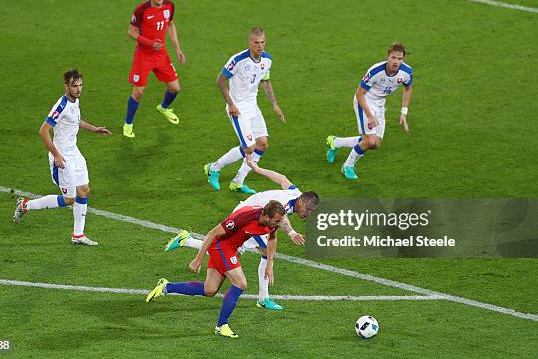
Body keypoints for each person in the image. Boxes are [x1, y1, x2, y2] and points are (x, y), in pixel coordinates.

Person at [165, 159, 319, 310]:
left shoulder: (296, 194)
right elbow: (282, 219)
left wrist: (258, 169)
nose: (309, 214)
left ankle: (187, 240)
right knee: (265, 252)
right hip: (248, 218)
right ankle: (263, 298)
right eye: (309, 210)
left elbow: (282, 179)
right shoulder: (283, 204)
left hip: (255, 218)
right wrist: (291, 232)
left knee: (234, 251)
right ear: (302, 203)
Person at [145, 201, 286, 338]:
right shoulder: (244, 217)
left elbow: (272, 238)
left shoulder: (272, 221)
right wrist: (199, 258)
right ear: (266, 217)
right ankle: (221, 326)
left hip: (230, 248)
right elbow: (213, 233)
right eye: (277, 221)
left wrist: (269, 265)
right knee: (241, 283)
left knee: (210, 289)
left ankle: (166, 287)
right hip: (221, 246)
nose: (279, 224)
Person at [13, 69, 111, 245]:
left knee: (84, 190)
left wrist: (94, 128)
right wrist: (56, 155)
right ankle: (26, 205)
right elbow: (43, 131)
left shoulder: (75, 101)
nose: (79, 89)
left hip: (74, 152)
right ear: (66, 86)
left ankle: (78, 235)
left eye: (81, 85)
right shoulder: (61, 106)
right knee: (69, 199)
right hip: (62, 157)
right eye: (75, 86)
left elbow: (75, 121)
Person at [203, 27, 285, 194]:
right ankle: (214, 167)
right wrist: (231, 104)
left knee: (262, 144)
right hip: (238, 109)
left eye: (262, 42)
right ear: (250, 43)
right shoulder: (239, 60)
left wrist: (275, 105)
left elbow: (266, 82)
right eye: (256, 43)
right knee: (249, 147)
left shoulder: (267, 60)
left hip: (253, 107)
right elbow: (220, 80)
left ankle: (238, 180)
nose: (260, 46)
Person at [326, 42, 413, 180]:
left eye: (399, 58)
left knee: (375, 144)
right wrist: (369, 115)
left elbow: (408, 88)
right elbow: (359, 93)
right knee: (370, 141)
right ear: (388, 57)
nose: (396, 62)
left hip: (379, 105)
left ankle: (335, 142)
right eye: (393, 58)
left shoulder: (406, 72)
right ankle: (347, 166)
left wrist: (404, 112)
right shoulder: (375, 71)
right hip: (364, 102)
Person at [123, 0, 186, 138]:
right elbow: (131, 31)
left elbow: (170, 24)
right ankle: (128, 124)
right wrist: (149, 43)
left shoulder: (169, 6)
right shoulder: (141, 10)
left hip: (161, 55)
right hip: (143, 56)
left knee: (175, 88)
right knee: (138, 92)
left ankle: (163, 108)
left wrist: (177, 48)